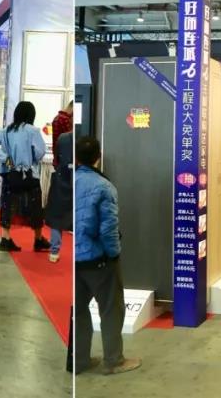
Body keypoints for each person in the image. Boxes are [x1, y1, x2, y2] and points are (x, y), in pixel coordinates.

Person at [74, 135, 140, 376]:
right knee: (111, 310)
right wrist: (114, 255)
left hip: (75, 259)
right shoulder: (105, 187)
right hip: (99, 260)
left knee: (78, 310)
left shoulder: (70, 180)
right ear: (98, 157)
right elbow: (108, 229)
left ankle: (79, 359)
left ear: (76, 157)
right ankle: (113, 360)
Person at [0, 101, 49, 253]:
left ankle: (5, 239)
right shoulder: (33, 131)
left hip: (10, 173)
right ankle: (38, 239)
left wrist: (6, 159)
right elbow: (40, 152)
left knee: (8, 204)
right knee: (35, 205)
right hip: (29, 174)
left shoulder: (7, 130)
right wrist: (31, 157)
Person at [45, 130, 74, 263]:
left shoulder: (62, 138)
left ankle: (54, 252)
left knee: (57, 217)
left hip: (61, 179)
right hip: (76, 178)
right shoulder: (82, 138)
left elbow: (56, 159)